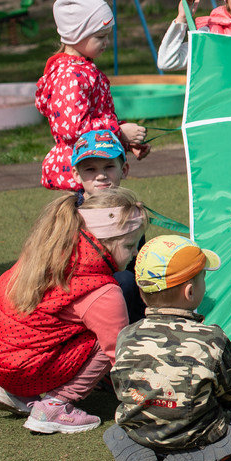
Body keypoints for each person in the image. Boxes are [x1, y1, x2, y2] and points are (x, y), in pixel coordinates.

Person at [104, 235, 231, 461]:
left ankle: (135, 442)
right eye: (203, 278)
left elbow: (122, 386)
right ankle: (224, 458)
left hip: (141, 428)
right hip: (198, 435)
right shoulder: (212, 338)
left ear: (141, 291)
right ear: (190, 291)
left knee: (135, 420)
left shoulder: (126, 335)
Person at [0, 188, 146, 434]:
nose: (135, 253)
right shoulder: (104, 290)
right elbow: (119, 353)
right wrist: (148, 393)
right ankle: (54, 406)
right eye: (130, 245)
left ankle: (15, 392)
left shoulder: (50, 250)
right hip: (23, 369)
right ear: (105, 241)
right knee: (110, 338)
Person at [36, 0, 148, 191]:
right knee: (86, 220)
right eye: (100, 37)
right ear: (77, 34)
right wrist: (119, 132)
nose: (106, 42)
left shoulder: (84, 70)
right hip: (80, 170)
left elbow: (96, 118)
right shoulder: (69, 75)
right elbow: (74, 129)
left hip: (95, 163)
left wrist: (124, 143)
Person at [71, 128, 146, 322]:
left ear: (124, 170)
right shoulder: (69, 213)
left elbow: (139, 263)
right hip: (79, 288)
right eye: (90, 169)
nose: (101, 176)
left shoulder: (131, 212)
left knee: (130, 281)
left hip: (123, 291)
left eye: (108, 167)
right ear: (75, 174)